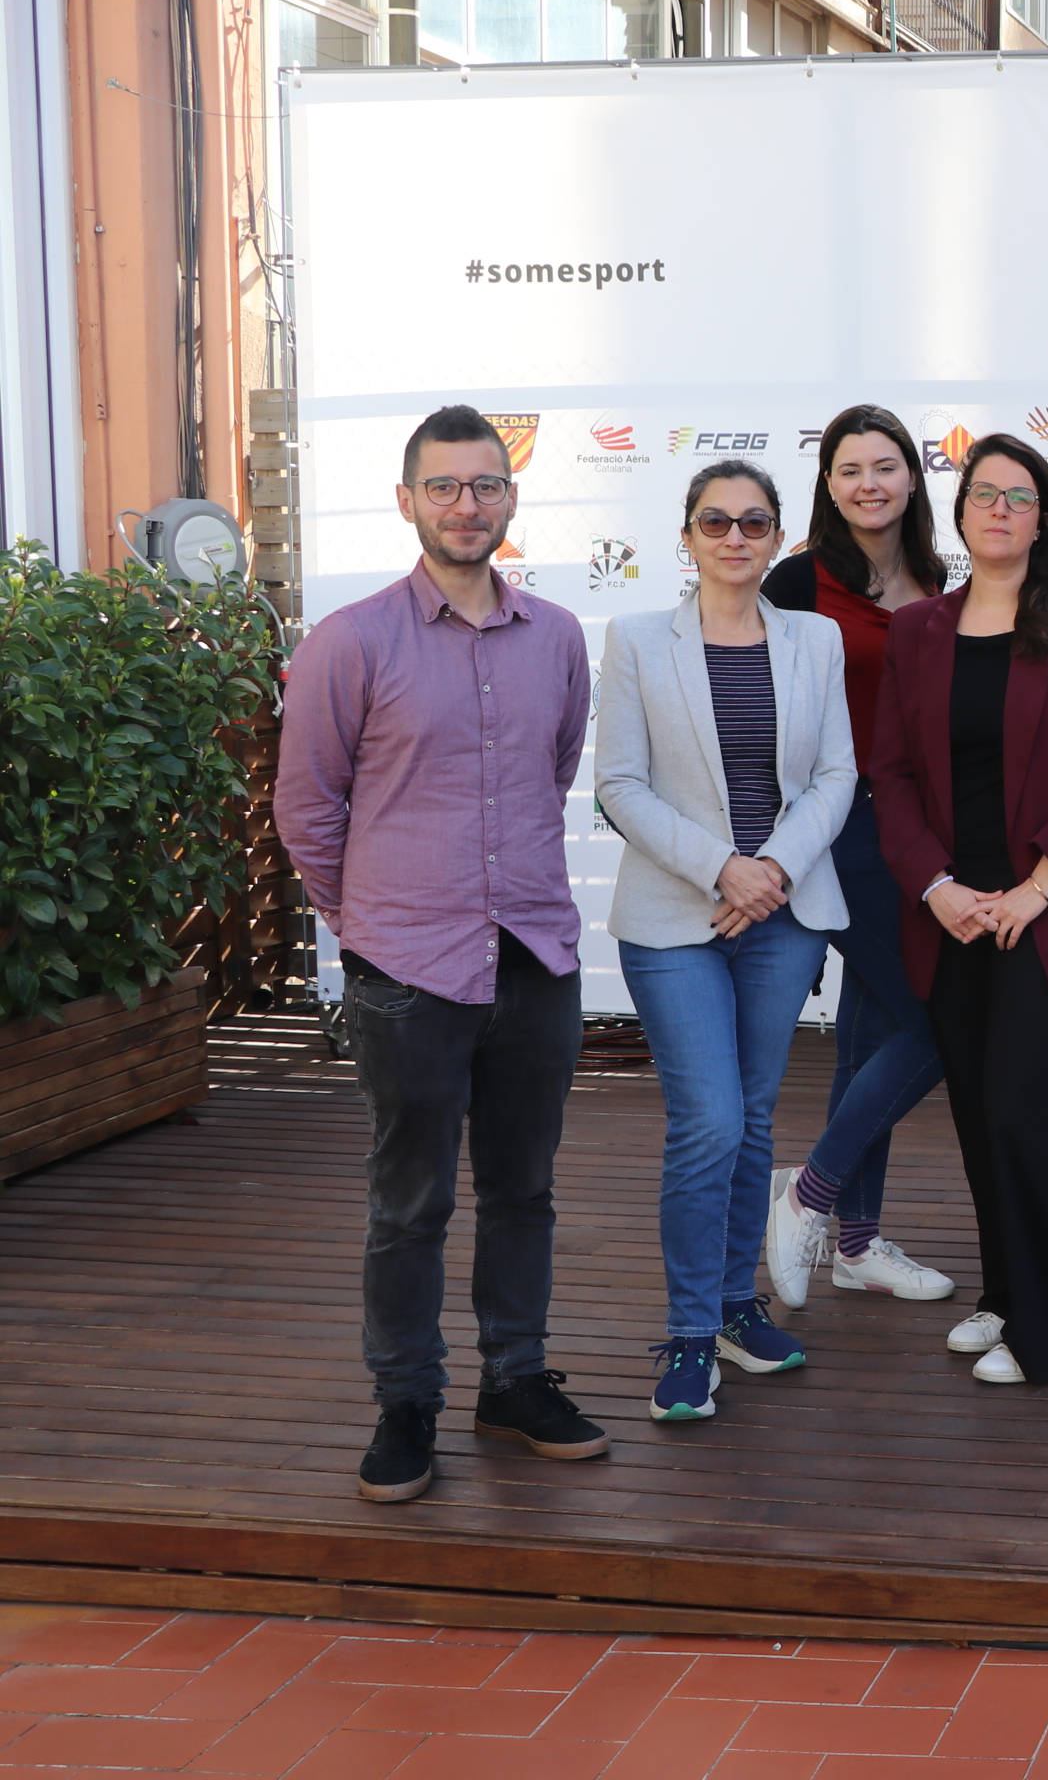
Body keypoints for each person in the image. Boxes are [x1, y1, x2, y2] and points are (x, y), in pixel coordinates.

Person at [279, 403, 609, 1502]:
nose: (466, 506)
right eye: (444, 487)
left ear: (511, 499)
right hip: (405, 973)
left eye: (485, 485)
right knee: (409, 1200)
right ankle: (405, 1400)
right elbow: (306, 809)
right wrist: (367, 923)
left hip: (532, 959)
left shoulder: (558, 637)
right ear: (408, 498)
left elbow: (552, 767)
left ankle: (513, 1381)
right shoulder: (351, 641)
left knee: (524, 1189)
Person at [867, 435, 1048, 1387]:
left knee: (1030, 1114)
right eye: (984, 494)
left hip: (1042, 911)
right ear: (962, 510)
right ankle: (1003, 1294)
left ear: (1043, 519)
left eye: (1019, 498)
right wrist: (936, 888)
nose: (999, 510)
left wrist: (1039, 885)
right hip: (950, 911)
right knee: (980, 1115)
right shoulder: (918, 632)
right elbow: (891, 777)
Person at [596, 461, 858, 1421]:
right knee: (707, 1118)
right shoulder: (635, 641)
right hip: (679, 918)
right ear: (687, 535)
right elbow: (619, 786)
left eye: (754, 522)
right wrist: (725, 868)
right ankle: (687, 1331)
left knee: (750, 1117)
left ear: (780, 535)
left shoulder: (814, 639)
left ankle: (740, 1309)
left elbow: (836, 775)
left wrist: (773, 871)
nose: (735, 537)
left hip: (782, 916)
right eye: (716, 521)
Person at [762, 405, 955, 1313]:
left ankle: (855, 1242)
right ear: (827, 483)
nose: (869, 483)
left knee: (873, 1031)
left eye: (886, 466)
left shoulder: (937, 576)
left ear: (913, 479)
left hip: (919, 829)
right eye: (850, 469)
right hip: (838, 830)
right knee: (943, 1017)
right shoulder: (797, 581)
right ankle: (814, 1190)